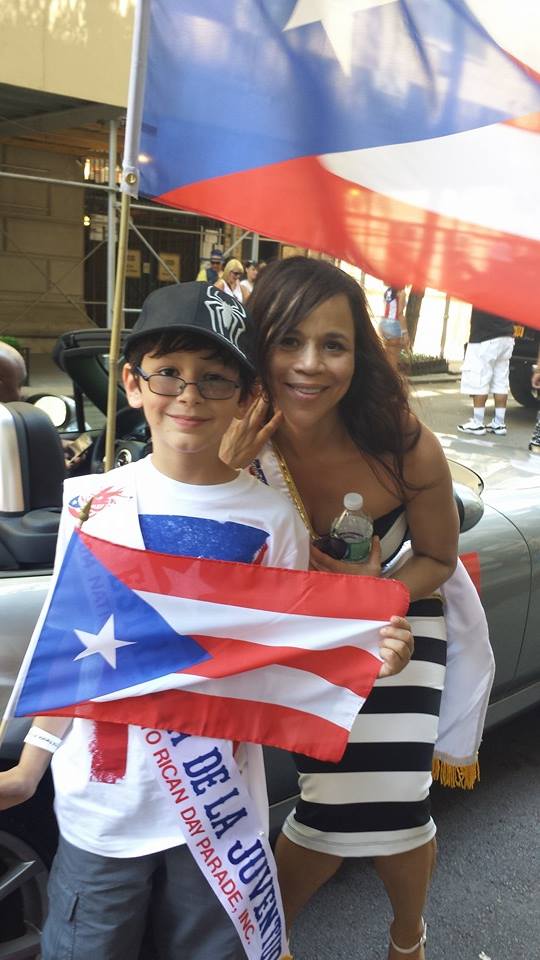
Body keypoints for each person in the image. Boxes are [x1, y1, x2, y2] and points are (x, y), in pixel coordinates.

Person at [0, 280, 413, 960]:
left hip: (217, 807)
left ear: (248, 396)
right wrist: (29, 767)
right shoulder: (94, 504)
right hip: (102, 802)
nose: (189, 395)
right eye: (168, 373)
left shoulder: (272, 518)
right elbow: (69, 649)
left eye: (215, 379)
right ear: (132, 384)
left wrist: (365, 653)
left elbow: (283, 650)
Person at [221, 256, 461, 960]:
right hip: (300, 644)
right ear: (257, 343)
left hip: (399, 633)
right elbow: (195, 563)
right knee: (325, 808)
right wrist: (225, 473)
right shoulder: (229, 435)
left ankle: (406, 938)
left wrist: (370, 594)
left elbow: (438, 560)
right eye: (288, 341)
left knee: (399, 803)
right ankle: (271, 941)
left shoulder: (401, 438)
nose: (310, 364)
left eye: (334, 344)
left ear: (360, 353)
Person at [458, 307, 515, 436]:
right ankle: (499, 423)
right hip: (507, 336)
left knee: (479, 378)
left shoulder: (484, 287)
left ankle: (477, 423)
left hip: (484, 337)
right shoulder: (510, 286)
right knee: (501, 381)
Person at [380, 286, 409, 371]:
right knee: (393, 362)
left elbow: (385, 309)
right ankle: (390, 382)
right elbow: (400, 313)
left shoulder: (388, 291)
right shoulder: (401, 292)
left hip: (384, 324)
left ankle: (384, 381)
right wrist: (405, 332)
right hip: (394, 325)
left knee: (387, 358)